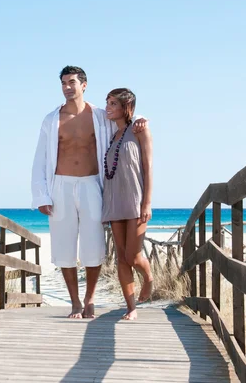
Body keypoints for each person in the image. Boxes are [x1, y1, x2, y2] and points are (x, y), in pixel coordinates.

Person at [31, 66, 147, 319]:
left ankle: (90, 298)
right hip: (60, 185)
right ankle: (74, 302)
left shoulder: (99, 115)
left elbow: (124, 118)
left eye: (72, 82)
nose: (67, 87)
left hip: (92, 184)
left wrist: (141, 119)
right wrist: (41, 195)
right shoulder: (52, 119)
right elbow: (40, 158)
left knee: (93, 244)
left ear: (84, 85)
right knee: (64, 246)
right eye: (63, 83)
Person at [102, 88, 153, 321]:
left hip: (135, 200)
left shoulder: (140, 130)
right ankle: (131, 307)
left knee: (133, 256)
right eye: (107, 103)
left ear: (126, 107)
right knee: (121, 258)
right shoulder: (112, 135)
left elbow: (148, 167)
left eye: (113, 103)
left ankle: (149, 277)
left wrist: (147, 202)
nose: (108, 107)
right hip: (114, 201)